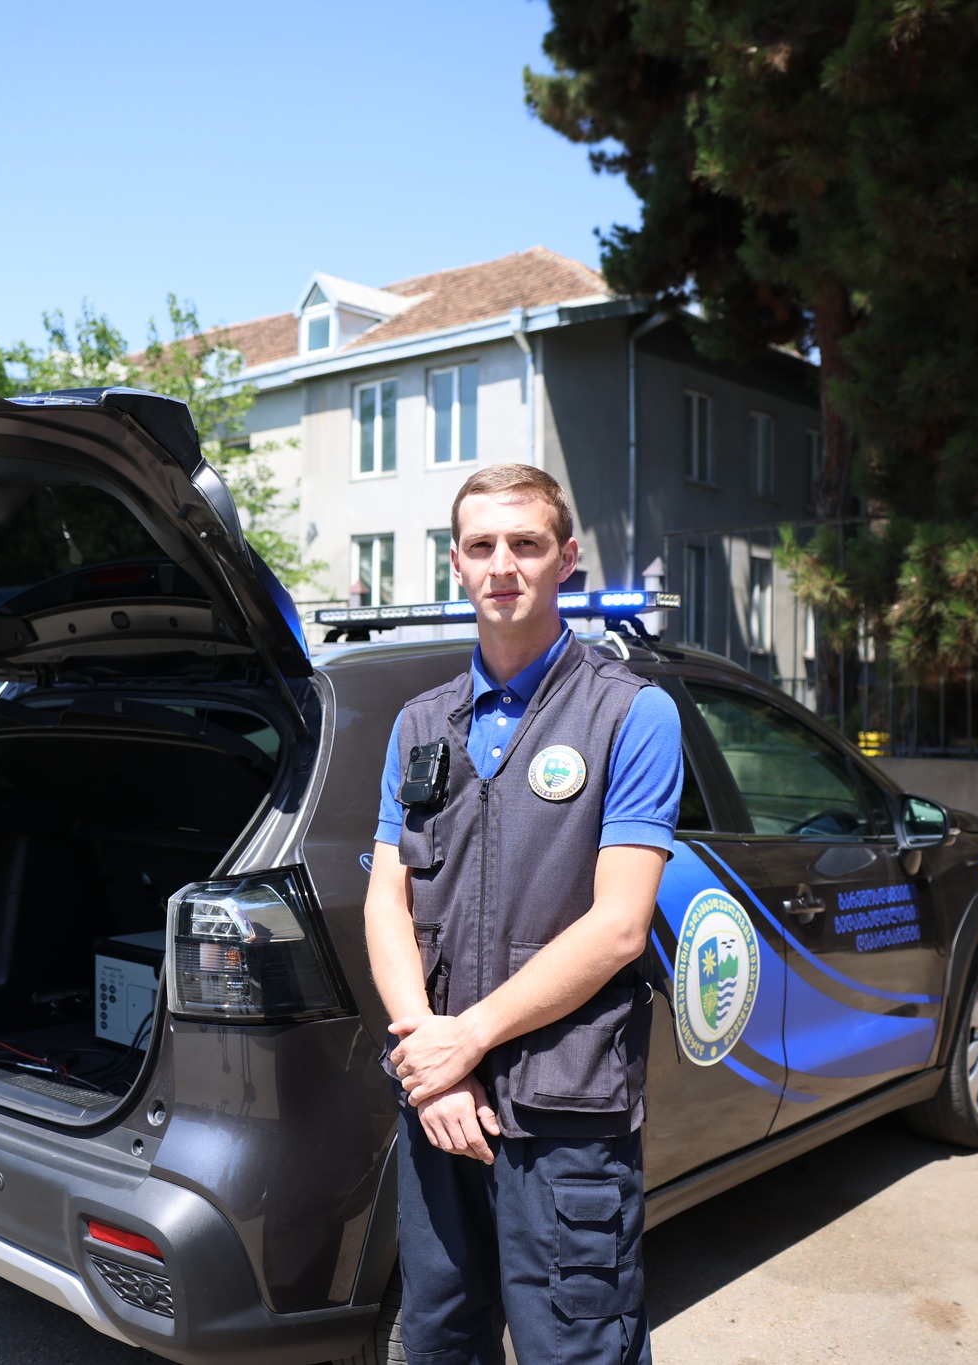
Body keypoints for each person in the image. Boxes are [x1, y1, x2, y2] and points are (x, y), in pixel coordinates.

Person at [365, 466, 682, 1365]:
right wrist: (434, 1068)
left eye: (526, 543)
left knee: (576, 1347)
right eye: (482, 545)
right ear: (456, 563)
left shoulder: (631, 713)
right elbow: (389, 899)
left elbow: (619, 925)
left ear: (566, 559)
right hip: (439, 1109)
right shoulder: (419, 724)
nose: (502, 564)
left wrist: (465, 1040)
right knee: (439, 1340)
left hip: (565, 1113)